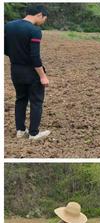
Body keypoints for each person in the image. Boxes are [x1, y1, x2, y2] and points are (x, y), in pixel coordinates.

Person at [4, 4, 50, 140]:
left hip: (15, 70)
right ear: (39, 15)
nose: (44, 22)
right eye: (45, 18)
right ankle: (34, 133)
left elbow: (5, 48)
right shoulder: (34, 31)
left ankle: (20, 130)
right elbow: (35, 57)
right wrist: (43, 76)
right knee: (36, 101)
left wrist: (16, 56)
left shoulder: (8, 26)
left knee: (20, 99)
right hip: (30, 72)